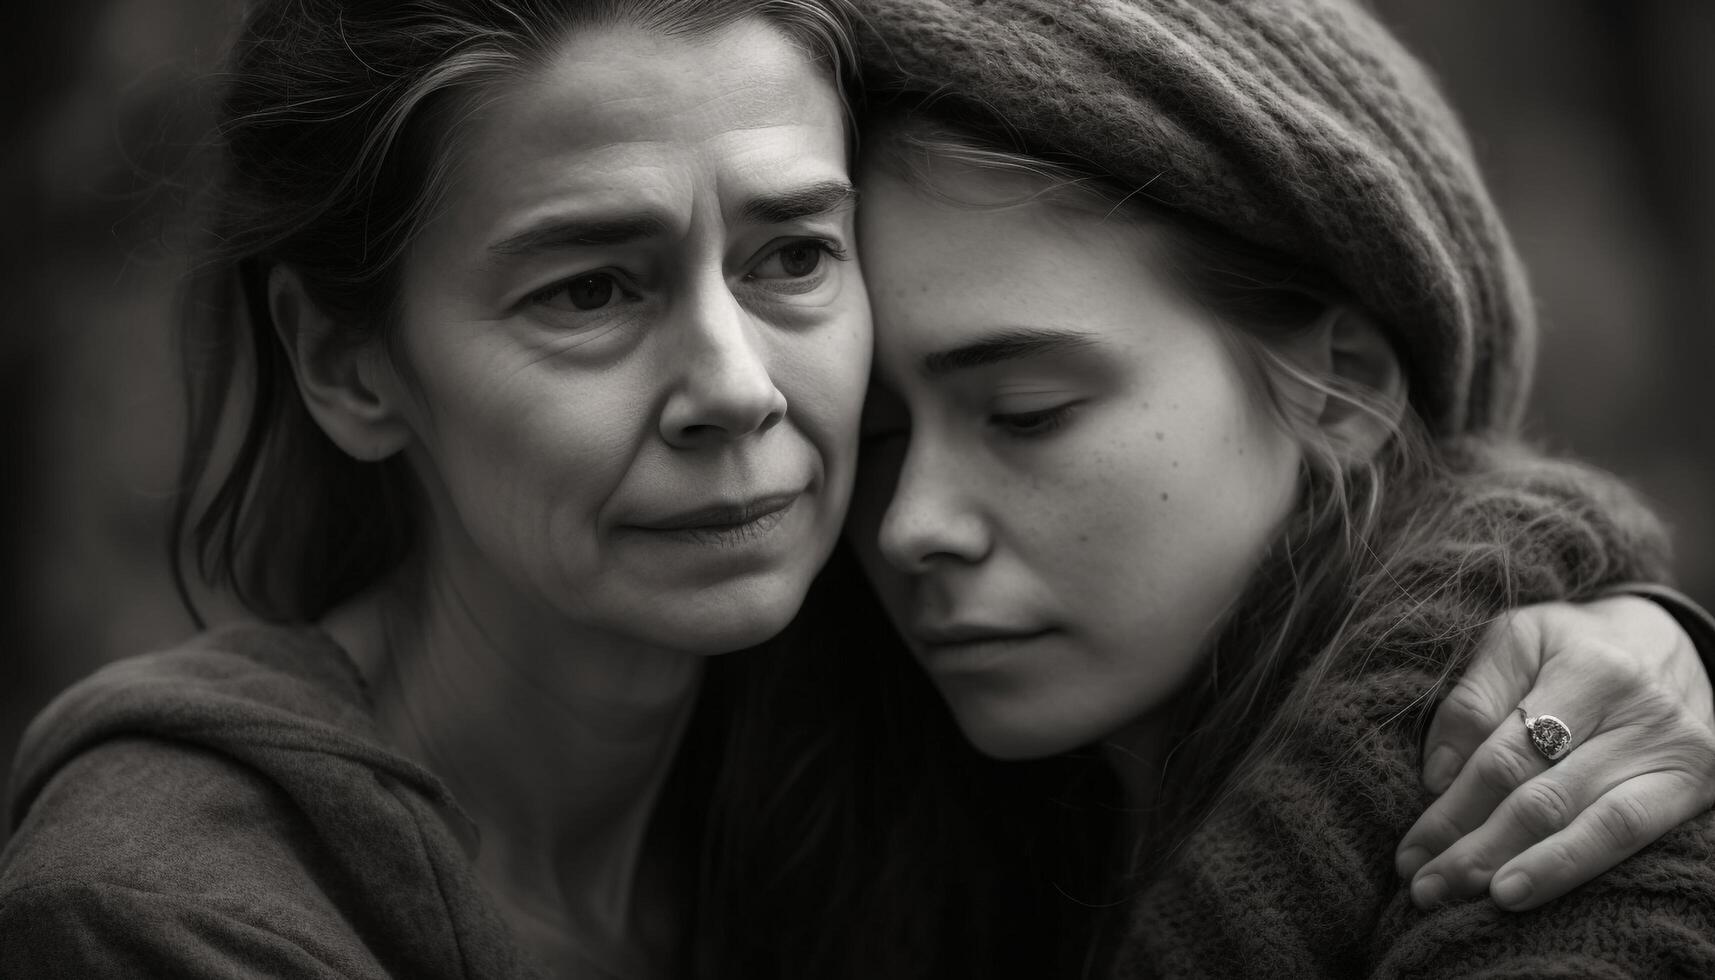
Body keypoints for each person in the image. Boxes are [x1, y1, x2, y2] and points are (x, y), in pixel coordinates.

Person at [0, 1, 1709, 978]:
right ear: (346, 363)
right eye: (588, 287)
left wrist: (1609, 613)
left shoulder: (927, 752)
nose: (743, 392)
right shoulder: (178, 899)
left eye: (797, 257)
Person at [826, 0, 1715, 975]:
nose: (912, 523)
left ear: (1340, 387)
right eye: (873, 431)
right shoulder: (882, 797)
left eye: (1024, 411)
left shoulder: (1553, 860)